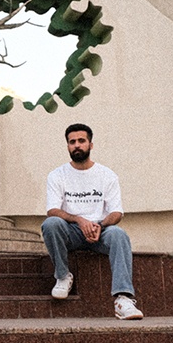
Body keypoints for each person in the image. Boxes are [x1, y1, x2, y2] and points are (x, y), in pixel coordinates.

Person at [41, 123, 143, 320]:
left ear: (91, 144)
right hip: (70, 230)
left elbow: (117, 212)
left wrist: (100, 225)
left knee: (118, 234)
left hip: (100, 231)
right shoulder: (57, 175)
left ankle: (123, 300)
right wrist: (79, 220)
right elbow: (52, 210)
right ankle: (63, 276)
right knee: (51, 224)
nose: (77, 145)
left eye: (81, 141)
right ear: (68, 146)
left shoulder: (107, 175)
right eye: (72, 142)